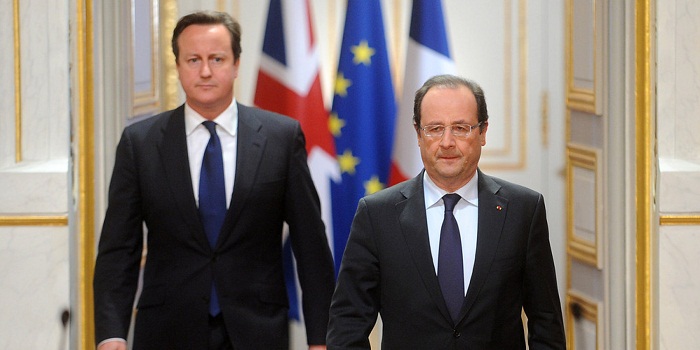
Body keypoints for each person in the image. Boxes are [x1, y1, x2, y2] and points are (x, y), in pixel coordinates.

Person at [93, 10, 335, 350]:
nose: (205, 71)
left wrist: (321, 338)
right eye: (193, 59)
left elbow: (311, 247)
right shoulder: (140, 143)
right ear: (177, 66)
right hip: (166, 332)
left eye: (217, 58)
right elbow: (118, 250)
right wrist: (111, 332)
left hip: (257, 331)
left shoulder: (281, 138)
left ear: (236, 64)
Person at [327, 74, 566, 349]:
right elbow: (347, 326)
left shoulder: (523, 211)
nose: (447, 142)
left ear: (483, 132)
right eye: (435, 128)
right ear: (418, 134)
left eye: (461, 128)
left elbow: (546, 325)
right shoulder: (377, 215)